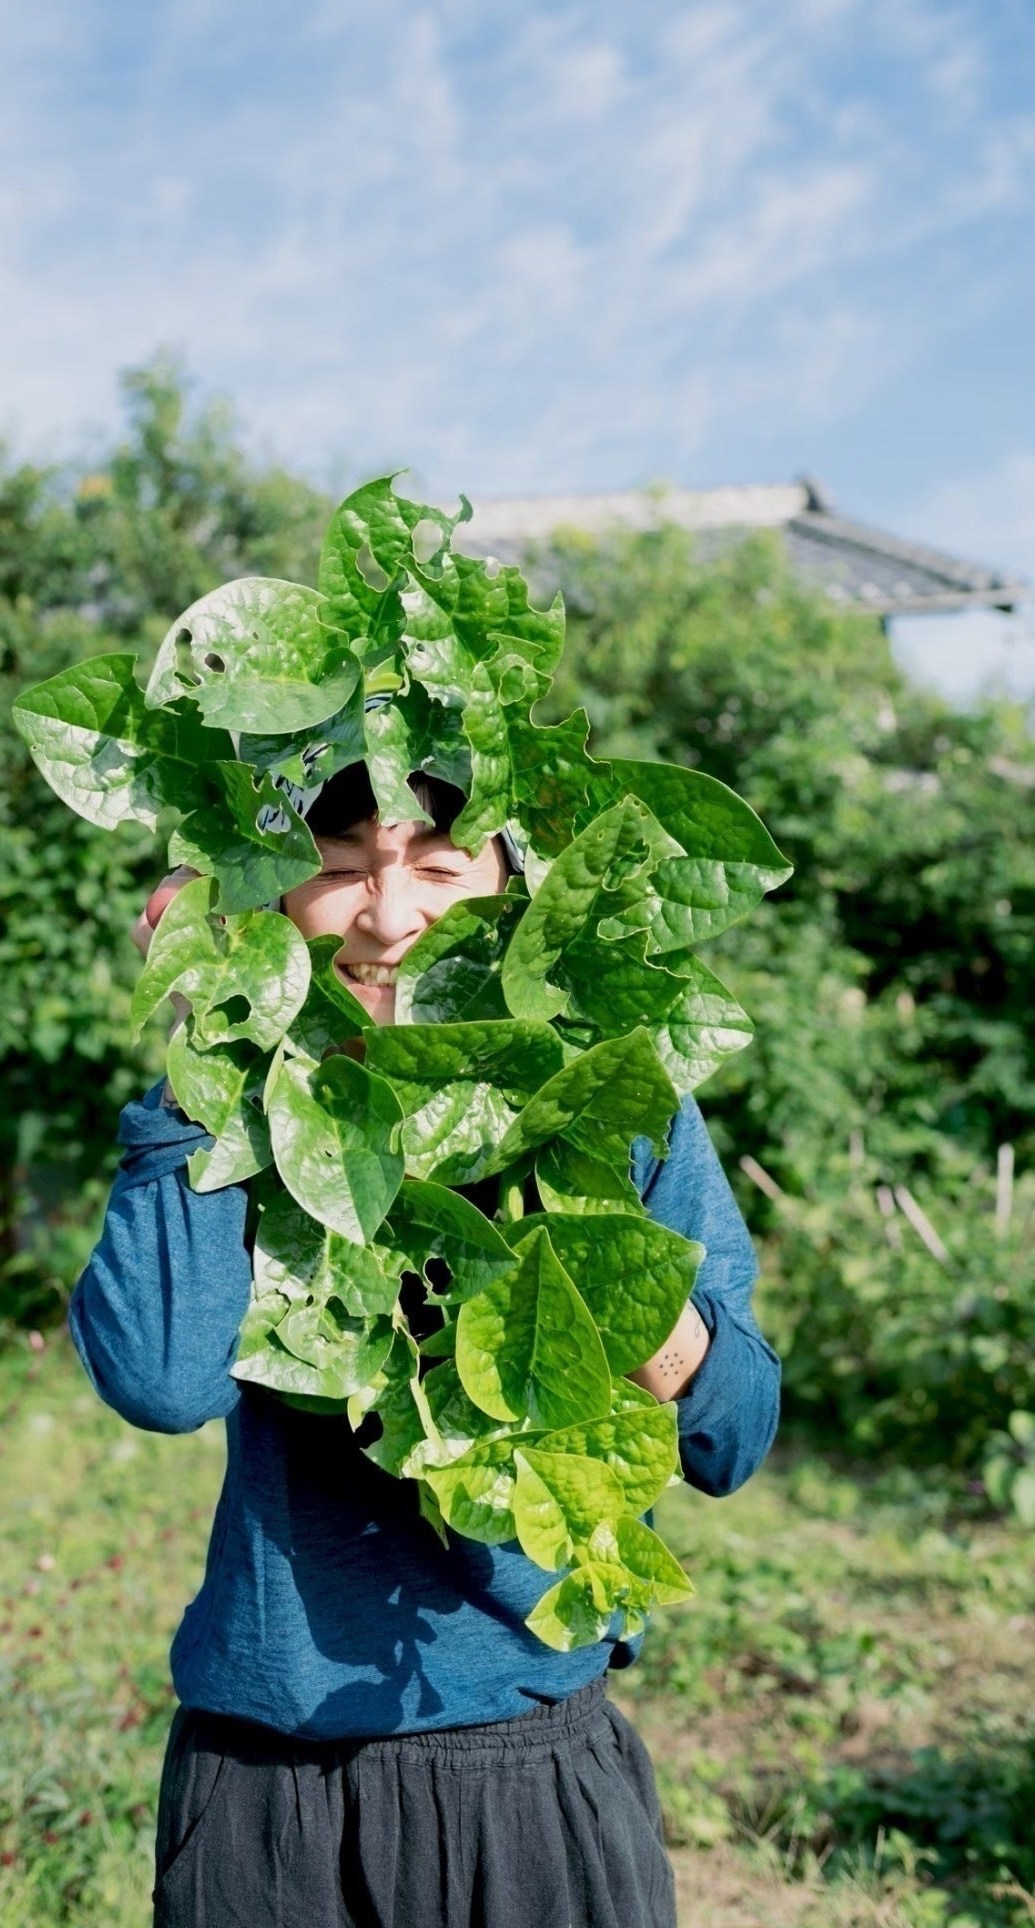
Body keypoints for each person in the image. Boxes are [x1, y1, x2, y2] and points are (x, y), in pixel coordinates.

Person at [70, 765, 780, 1928]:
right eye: (339, 866)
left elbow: (734, 1434)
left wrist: (616, 1273)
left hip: (530, 1772)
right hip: (269, 1784)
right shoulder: (248, 1111)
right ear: (267, 890)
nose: (390, 915)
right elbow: (160, 1377)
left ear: (520, 888)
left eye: (442, 867)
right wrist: (210, 1029)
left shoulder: (611, 1095)